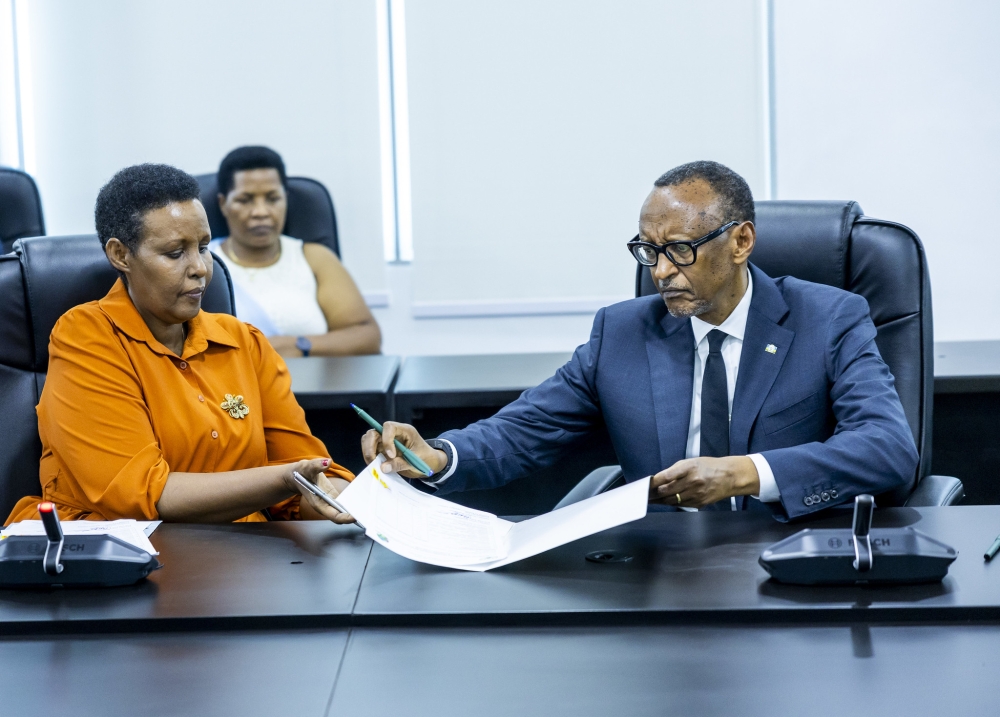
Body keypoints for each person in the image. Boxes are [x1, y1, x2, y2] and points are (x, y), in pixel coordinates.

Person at [361, 161, 919, 521]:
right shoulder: (622, 332)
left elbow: (888, 449)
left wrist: (743, 473)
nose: (659, 271)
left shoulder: (829, 318)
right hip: (662, 569)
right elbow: (523, 431)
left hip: (790, 558)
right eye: (647, 250)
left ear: (741, 241)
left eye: (678, 248)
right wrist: (438, 456)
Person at [5, 164, 356, 524]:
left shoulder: (243, 341)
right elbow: (142, 494)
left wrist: (346, 492)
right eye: (175, 253)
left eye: (204, 247)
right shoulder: (86, 337)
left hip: (248, 557)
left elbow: (302, 488)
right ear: (121, 255)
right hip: (129, 559)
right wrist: (286, 479)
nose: (201, 268)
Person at [209, 146, 381, 358]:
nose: (261, 212)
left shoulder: (314, 258)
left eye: (272, 198)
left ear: (285, 199)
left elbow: (367, 335)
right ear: (223, 203)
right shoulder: (203, 263)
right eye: (245, 200)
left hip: (312, 388)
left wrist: (298, 345)